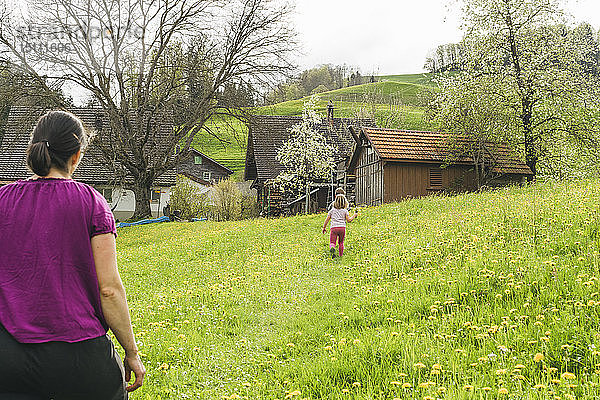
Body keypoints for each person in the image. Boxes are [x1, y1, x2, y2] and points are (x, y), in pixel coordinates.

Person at [0, 111, 145, 400]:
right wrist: (131, 352)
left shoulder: (2, 200)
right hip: (81, 357)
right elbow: (109, 290)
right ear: (76, 156)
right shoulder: (92, 202)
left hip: (10, 356)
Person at [322, 193, 359, 258]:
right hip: (342, 228)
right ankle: (340, 255)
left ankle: (332, 248)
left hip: (334, 228)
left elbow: (327, 220)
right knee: (341, 242)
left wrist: (324, 227)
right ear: (345, 203)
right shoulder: (345, 211)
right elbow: (349, 220)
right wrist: (354, 215)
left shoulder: (332, 211)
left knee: (332, 242)